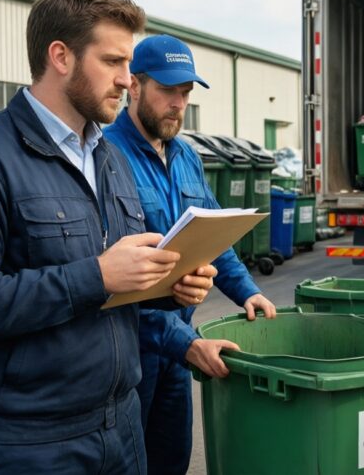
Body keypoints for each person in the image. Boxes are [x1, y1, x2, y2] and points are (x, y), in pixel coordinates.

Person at [0, 0, 218, 474]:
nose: (127, 80)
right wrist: (97, 276)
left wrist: (170, 287)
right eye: (113, 62)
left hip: (122, 429)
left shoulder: (109, 157)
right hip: (28, 444)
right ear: (60, 56)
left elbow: (117, 282)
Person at [104, 34, 278, 474]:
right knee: (127, 465)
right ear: (134, 86)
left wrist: (247, 292)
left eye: (185, 93)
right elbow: (103, 276)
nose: (178, 104)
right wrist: (188, 342)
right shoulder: (106, 156)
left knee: (170, 460)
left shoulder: (187, 157)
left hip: (178, 349)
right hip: (128, 352)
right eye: (167, 91)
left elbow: (215, 235)